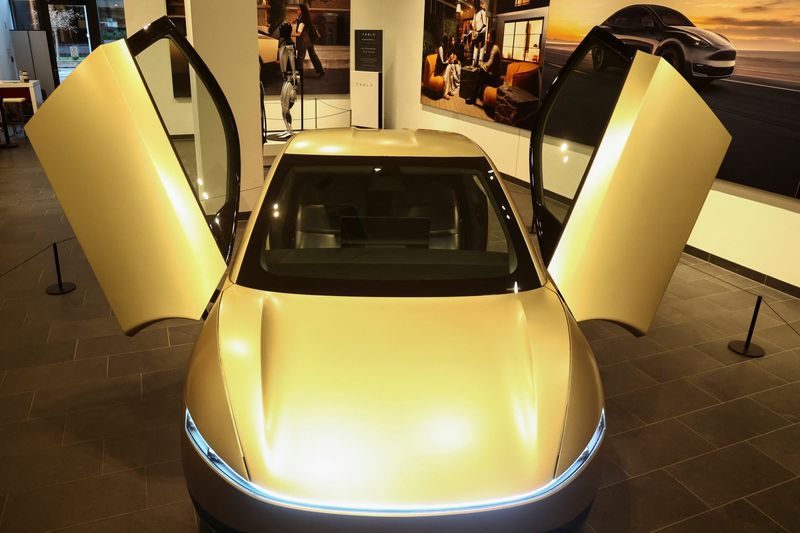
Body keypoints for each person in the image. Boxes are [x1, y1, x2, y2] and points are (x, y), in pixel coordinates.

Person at [465, 29, 501, 106]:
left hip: (495, 79)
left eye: (488, 38)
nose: (487, 40)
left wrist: (481, 64)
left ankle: (473, 98)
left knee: (481, 72)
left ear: (492, 39)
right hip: (493, 75)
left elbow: (489, 65)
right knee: (481, 73)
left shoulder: (495, 49)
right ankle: (475, 95)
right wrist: (482, 64)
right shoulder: (494, 47)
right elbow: (488, 63)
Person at [277, 21, 298, 138]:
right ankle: (287, 129)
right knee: (282, 103)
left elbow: (292, 62)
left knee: (285, 105)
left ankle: (290, 130)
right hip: (287, 78)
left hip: (290, 78)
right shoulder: (284, 43)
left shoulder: (289, 43)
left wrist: (294, 81)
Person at [293, 4, 325, 78]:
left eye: (298, 9)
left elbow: (298, 33)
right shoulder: (305, 18)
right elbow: (298, 19)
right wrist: (294, 20)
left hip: (303, 42)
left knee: (300, 58)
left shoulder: (302, 21)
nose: (297, 10)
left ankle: (298, 74)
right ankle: (321, 71)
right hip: (309, 41)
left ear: (302, 11)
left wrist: (288, 35)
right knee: (313, 56)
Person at [470, 0, 488, 67]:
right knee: (474, 54)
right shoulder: (475, 14)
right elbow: (473, 25)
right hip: (476, 36)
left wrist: (479, 32)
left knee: (481, 57)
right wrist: (474, 32)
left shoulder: (482, 12)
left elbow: (485, 26)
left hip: (481, 35)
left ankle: (480, 69)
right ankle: (473, 67)